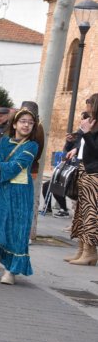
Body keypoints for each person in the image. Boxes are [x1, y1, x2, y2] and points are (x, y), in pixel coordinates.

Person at [0, 108, 39, 285]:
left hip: (21, 193)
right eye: (23, 121)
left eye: (30, 122)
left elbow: (16, 166)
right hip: (2, 189)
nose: (26, 125)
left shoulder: (32, 145)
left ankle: (10, 270)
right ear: (14, 124)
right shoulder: (5, 141)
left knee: (17, 229)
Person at [67, 94, 98, 266]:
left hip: (95, 174)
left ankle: (90, 252)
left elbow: (95, 149)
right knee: (81, 213)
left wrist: (86, 133)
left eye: (90, 103)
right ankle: (81, 250)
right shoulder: (91, 123)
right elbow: (85, 146)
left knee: (91, 214)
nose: (87, 106)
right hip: (85, 170)